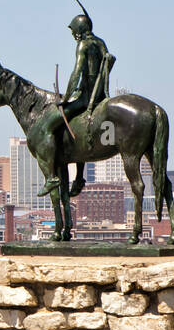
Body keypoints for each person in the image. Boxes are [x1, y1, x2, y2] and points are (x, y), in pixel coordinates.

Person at [37, 13, 116, 197]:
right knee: (76, 132)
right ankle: (79, 177)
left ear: (80, 29)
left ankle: (51, 177)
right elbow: (107, 66)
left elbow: (76, 73)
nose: (73, 35)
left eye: (74, 30)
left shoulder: (84, 45)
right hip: (100, 95)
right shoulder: (100, 43)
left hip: (85, 97)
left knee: (48, 125)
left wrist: (65, 99)